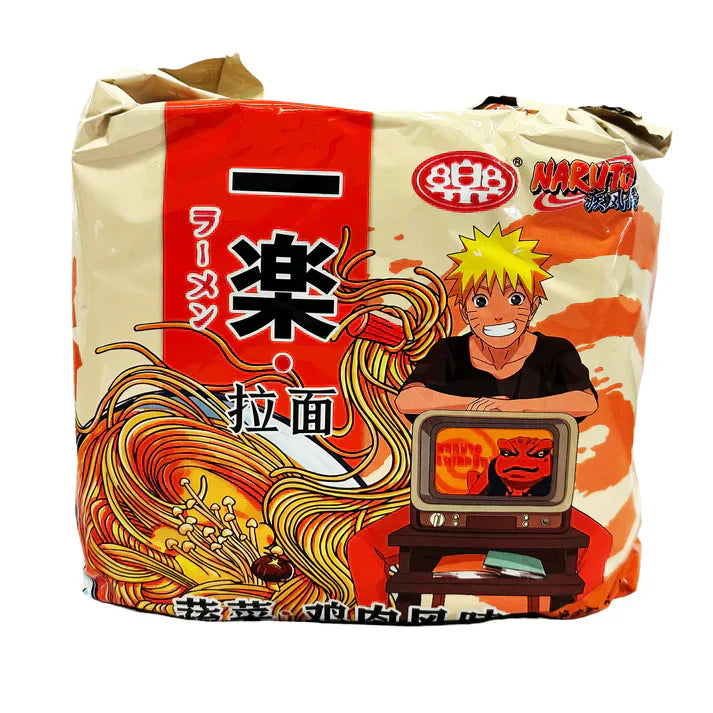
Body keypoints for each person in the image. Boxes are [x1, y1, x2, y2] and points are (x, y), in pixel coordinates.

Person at [347, 224, 612, 607]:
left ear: (533, 305)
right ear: (464, 308)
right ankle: (379, 618)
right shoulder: (449, 353)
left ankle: (575, 616)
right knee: (363, 546)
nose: (498, 314)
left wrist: (510, 409)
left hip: (535, 506)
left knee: (598, 542)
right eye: (482, 300)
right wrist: (473, 405)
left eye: (515, 298)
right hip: (450, 505)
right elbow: (409, 399)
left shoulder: (555, 352)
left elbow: (585, 402)